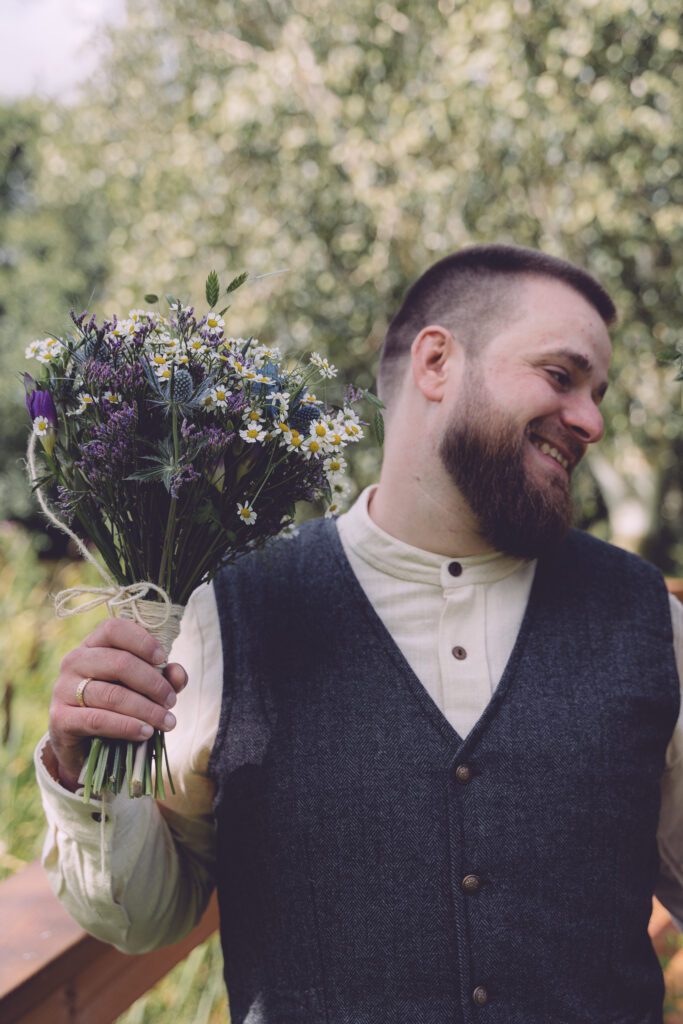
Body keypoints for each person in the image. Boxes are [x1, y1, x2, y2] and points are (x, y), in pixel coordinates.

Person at [36, 244, 683, 1023]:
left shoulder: (650, 620)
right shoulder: (230, 612)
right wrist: (84, 772)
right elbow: (143, 916)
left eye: (596, 392)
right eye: (560, 376)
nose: (592, 420)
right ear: (437, 362)